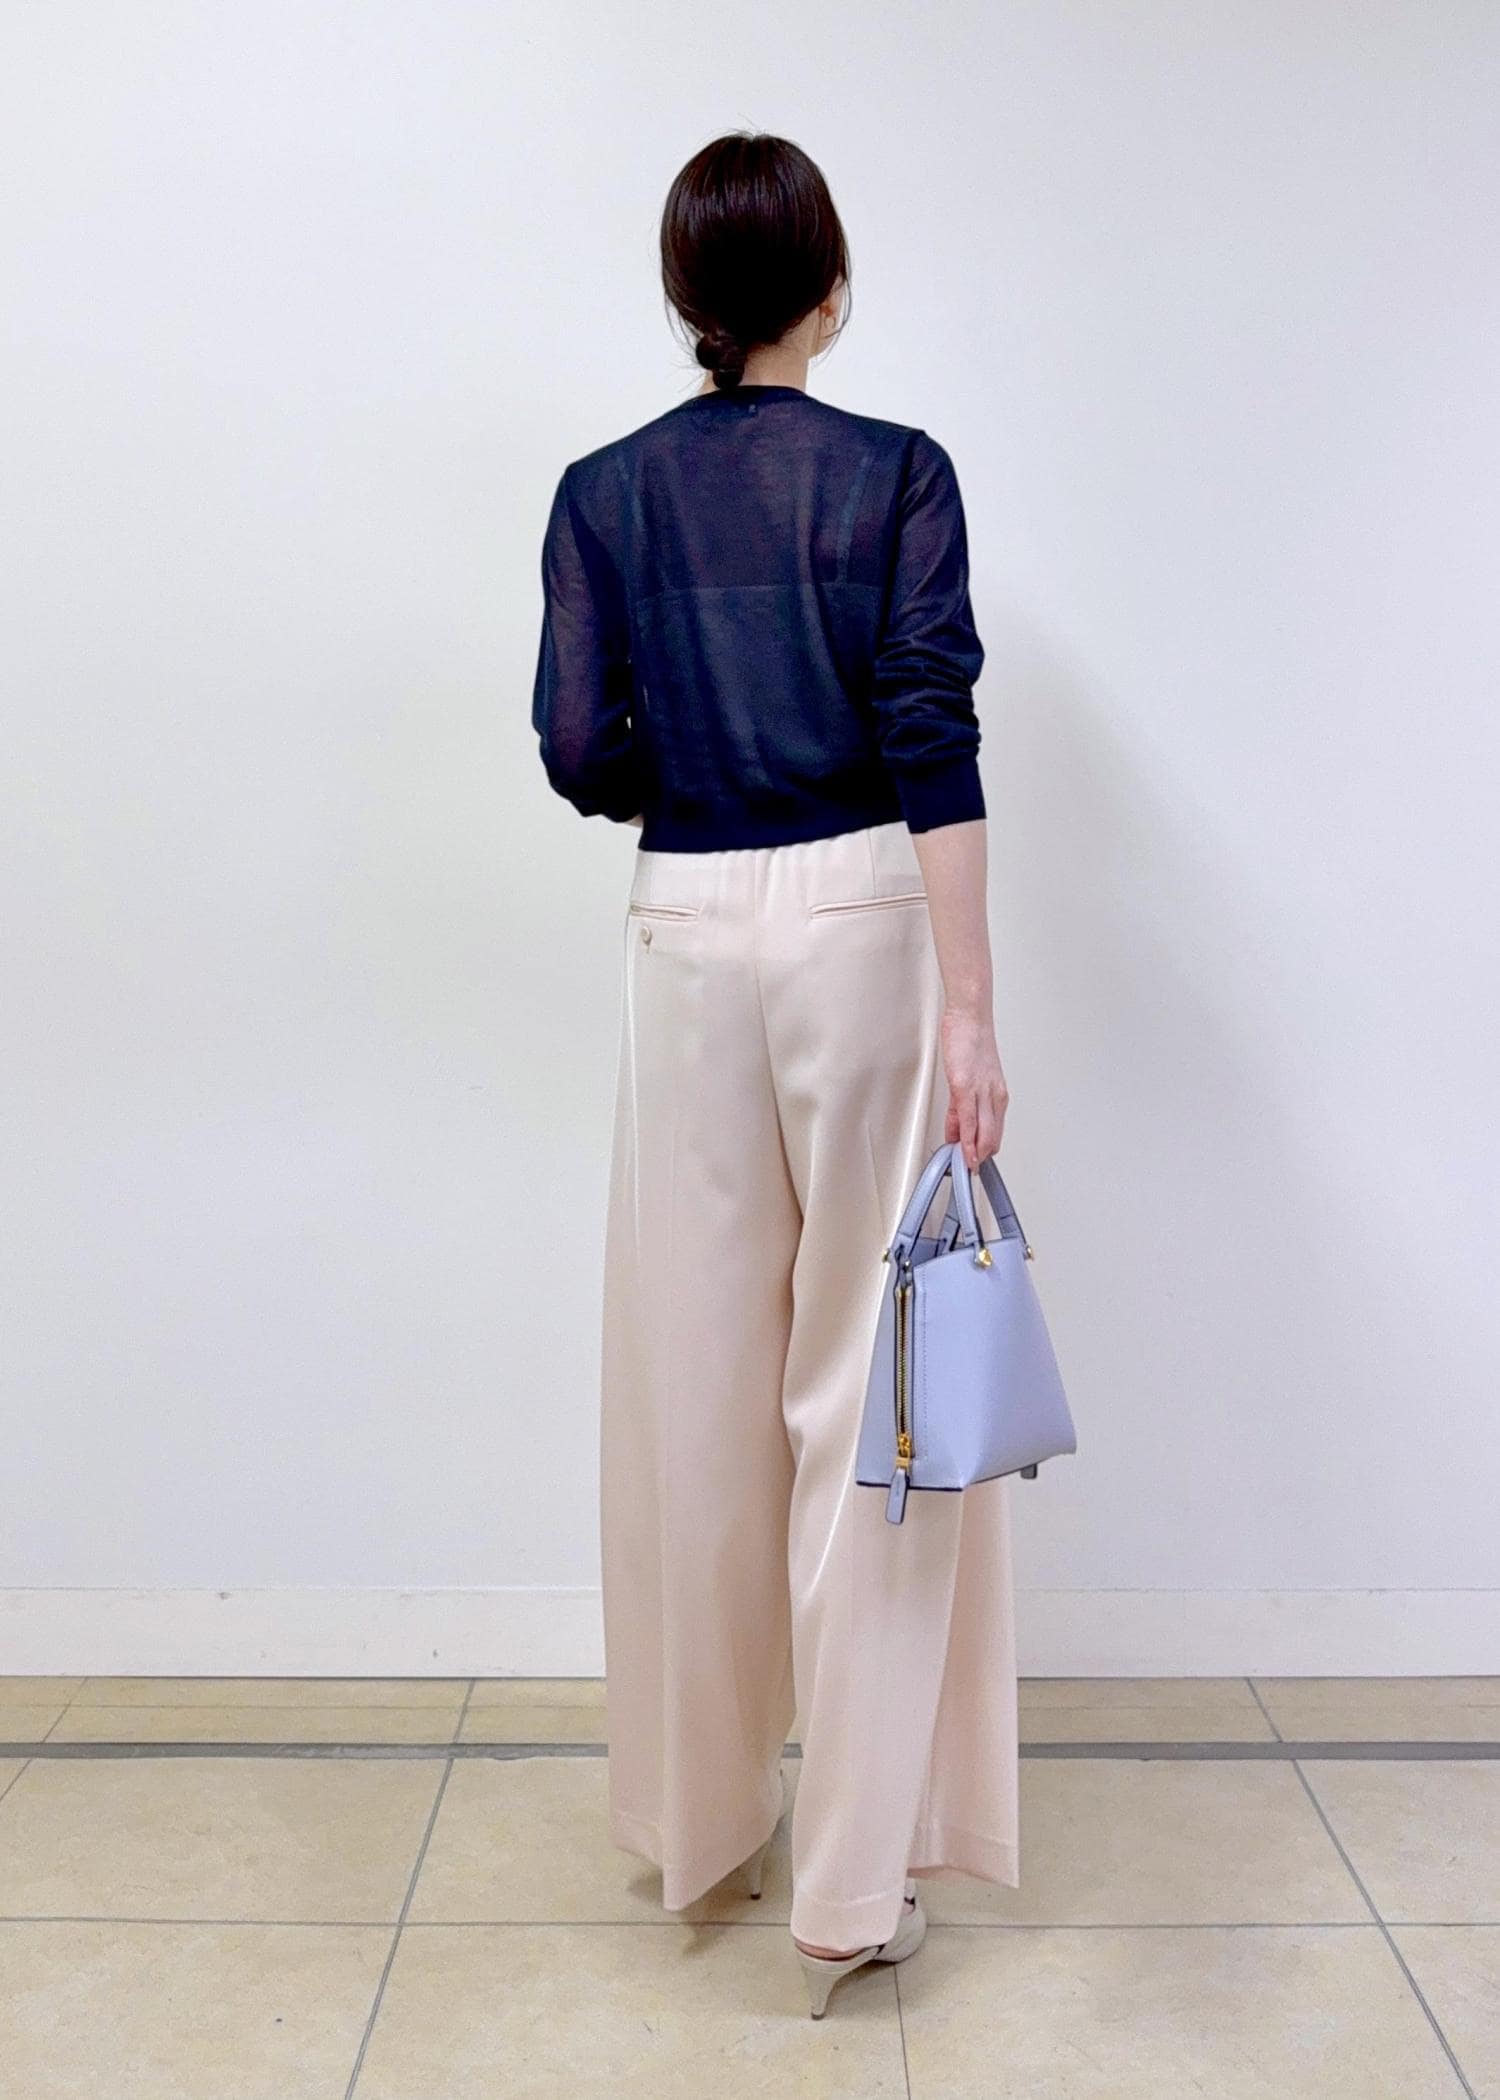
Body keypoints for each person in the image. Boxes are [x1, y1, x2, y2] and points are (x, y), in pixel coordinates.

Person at [531, 130, 1018, 2019]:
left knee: (697, 1384)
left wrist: (699, 747)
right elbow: (930, 729)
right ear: (830, 287)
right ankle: (852, 1887)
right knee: (872, 1394)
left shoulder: (603, 496)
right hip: (863, 920)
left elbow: (583, 750)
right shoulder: (897, 476)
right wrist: (970, 1009)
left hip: (684, 924)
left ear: (686, 299)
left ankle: (706, 1826)